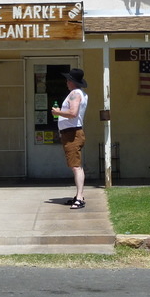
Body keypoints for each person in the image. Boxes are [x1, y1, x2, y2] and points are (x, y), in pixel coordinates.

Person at [51, 68, 88, 209]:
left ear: (72, 82)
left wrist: (57, 112)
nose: (66, 82)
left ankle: (79, 198)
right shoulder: (80, 94)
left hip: (72, 134)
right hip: (71, 133)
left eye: (68, 80)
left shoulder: (74, 94)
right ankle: (79, 195)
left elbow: (73, 113)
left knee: (76, 166)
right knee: (76, 165)